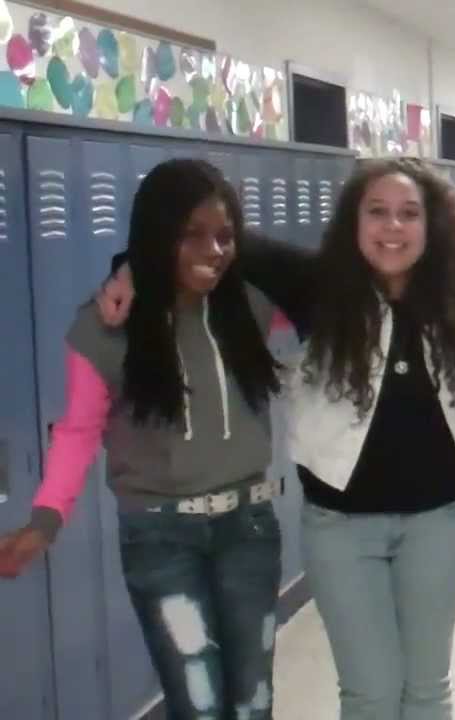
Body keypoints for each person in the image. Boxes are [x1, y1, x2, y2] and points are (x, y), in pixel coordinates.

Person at [96, 157, 455, 720]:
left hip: (439, 525)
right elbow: (198, 236)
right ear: (353, 222)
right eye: (377, 212)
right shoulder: (316, 287)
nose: (393, 227)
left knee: (426, 690)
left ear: (430, 224)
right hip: (342, 530)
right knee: (370, 692)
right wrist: (128, 268)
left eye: (409, 214)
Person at [0, 158, 284, 719]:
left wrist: (138, 262)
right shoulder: (105, 328)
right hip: (161, 539)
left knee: (253, 703)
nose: (213, 251)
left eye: (225, 236)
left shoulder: (249, 308)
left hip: (248, 529)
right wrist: (45, 520)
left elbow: (320, 283)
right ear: (157, 234)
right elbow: (79, 431)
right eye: (191, 234)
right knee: (198, 705)